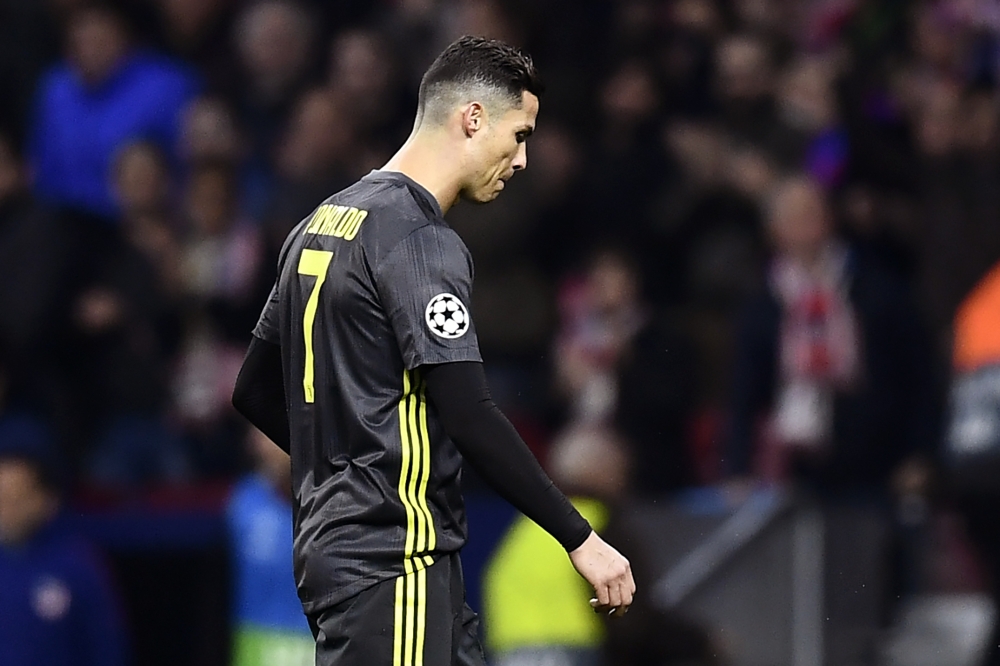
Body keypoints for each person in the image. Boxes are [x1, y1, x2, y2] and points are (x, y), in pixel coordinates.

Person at [232, 36, 635, 666]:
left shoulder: (321, 223)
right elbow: (469, 412)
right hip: (395, 563)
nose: (523, 159)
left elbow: (254, 391)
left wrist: (345, 468)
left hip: (353, 560)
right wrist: (580, 537)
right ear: (473, 118)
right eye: (521, 134)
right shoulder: (420, 241)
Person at [0, 416, 128, 666]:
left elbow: (105, 649)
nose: (5, 508)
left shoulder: (76, 564)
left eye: (15, 498)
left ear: (48, 500)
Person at [227, 428, 313, 666]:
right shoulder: (242, 505)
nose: (261, 447)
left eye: (268, 432)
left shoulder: (340, 506)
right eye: (257, 434)